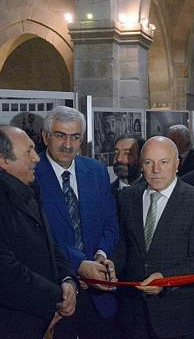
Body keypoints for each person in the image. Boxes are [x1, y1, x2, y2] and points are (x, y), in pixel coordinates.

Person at [0, 125, 77, 338]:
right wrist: (57, 297)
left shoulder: (26, 189)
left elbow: (49, 245)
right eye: (29, 151)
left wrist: (68, 280)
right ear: (3, 161)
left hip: (31, 323)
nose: (37, 158)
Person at [114, 136, 194, 338]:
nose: (156, 170)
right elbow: (123, 246)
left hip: (177, 316)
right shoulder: (127, 196)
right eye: (149, 163)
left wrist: (165, 279)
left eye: (164, 162)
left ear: (177, 164)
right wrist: (109, 267)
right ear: (141, 165)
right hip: (133, 314)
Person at [34, 106, 121, 338]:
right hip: (56, 296)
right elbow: (37, 237)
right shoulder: (30, 175)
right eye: (60, 135)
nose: (68, 145)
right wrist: (80, 265)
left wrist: (101, 258)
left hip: (99, 298)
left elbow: (111, 223)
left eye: (75, 137)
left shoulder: (96, 170)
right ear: (45, 137)